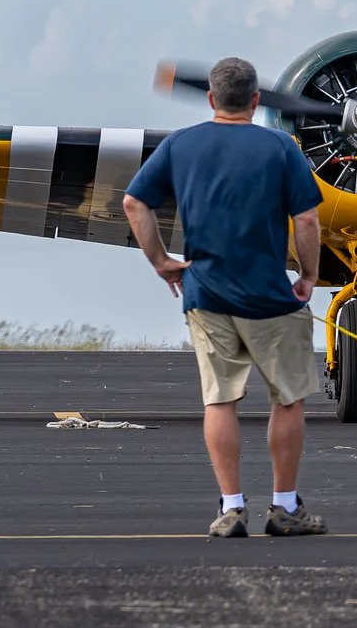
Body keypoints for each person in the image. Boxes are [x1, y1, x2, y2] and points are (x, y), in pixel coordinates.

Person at [121, 56, 330, 537]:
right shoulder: (280, 146)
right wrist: (309, 275)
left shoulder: (180, 144)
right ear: (256, 101)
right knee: (289, 399)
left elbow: (134, 202)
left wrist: (161, 261)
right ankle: (284, 508)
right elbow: (307, 220)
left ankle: (232, 508)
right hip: (271, 298)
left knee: (219, 402)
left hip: (205, 295)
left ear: (212, 99)